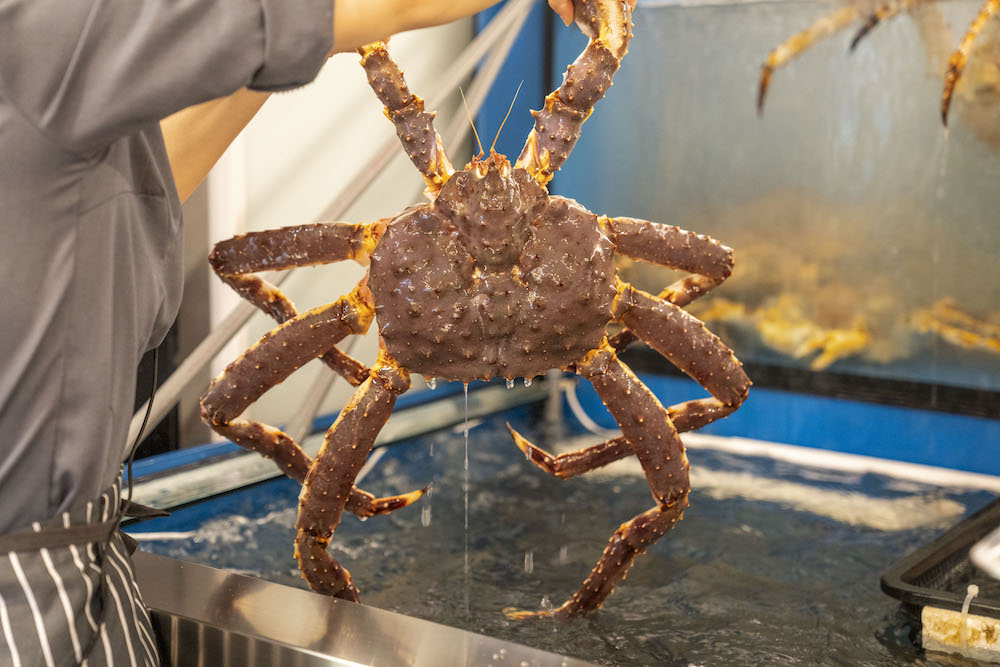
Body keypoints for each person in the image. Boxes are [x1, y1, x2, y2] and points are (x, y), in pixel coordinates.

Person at [0, 0, 624, 664]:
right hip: (29, 604)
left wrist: (330, 38)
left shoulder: (44, 84)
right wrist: (341, 25)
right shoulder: (37, 36)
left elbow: (132, 193)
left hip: (78, 561)